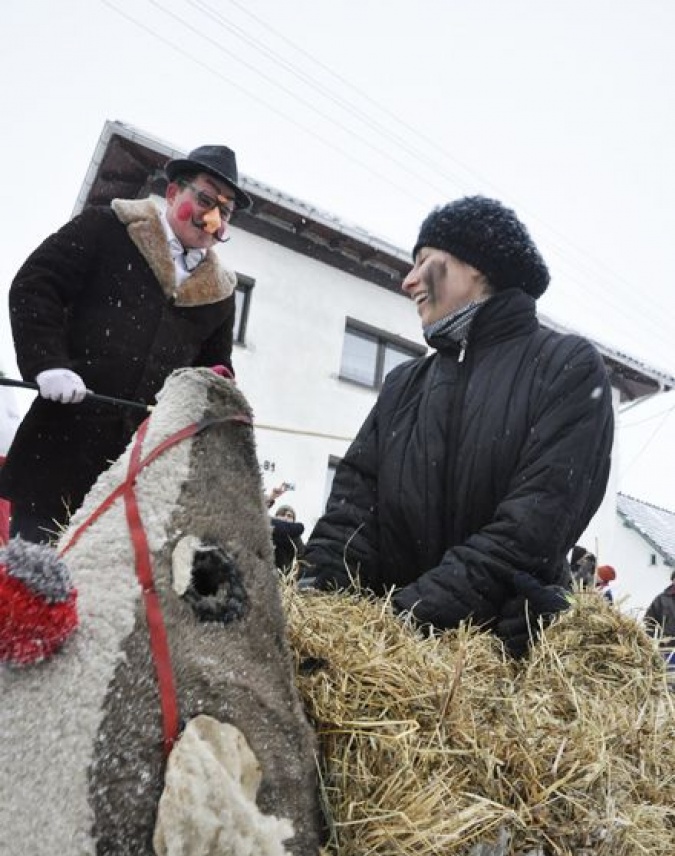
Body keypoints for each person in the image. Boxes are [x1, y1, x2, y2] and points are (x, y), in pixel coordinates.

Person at [302, 196, 614, 656]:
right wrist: (315, 606)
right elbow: (350, 514)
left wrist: (401, 626)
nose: (408, 281)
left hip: (493, 666)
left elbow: (529, 533)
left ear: (477, 266)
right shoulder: (404, 384)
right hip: (377, 663)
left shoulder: (565, 368)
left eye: (425, 261)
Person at [0, 145, 252, 543]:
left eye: (225, 212)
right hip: (59, 453)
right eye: (204, 200)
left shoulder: (220, 293)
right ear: (172, 194)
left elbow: (212, 370)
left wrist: (218, 406)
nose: (212, 220)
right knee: (31, 589)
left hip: (135, 480)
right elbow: (36, 284)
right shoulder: (107, 228)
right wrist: (46, 362)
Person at [644, 570, 675, 666]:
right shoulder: (661, 599)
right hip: (668, 647)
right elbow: (649, 621)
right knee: (670, 676)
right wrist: (649, 642)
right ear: (673, 580)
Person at [271, 504, 306, 574]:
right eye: (282, 515)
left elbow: (302, 561)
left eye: (289, 516)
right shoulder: (268, 535)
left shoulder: (298, 542)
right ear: (276, 517)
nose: (285, 518)